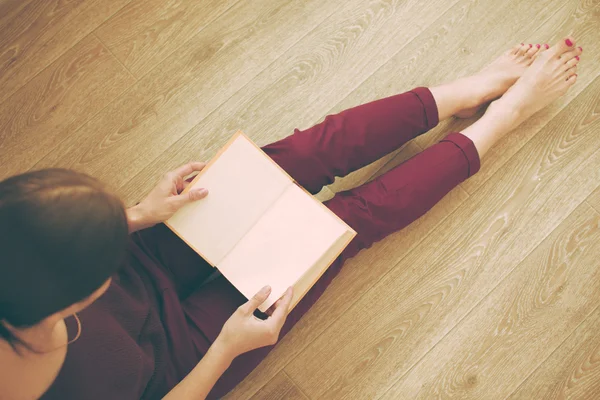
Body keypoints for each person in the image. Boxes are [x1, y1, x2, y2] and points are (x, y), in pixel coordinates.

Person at [0, 37, 581, 400]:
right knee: (345, 223)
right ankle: (502, 117)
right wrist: (228, 349)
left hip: (138, 262)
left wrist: (137, 216)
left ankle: (464, 91)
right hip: (181, 361)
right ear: (67, 304)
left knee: (301, 157)